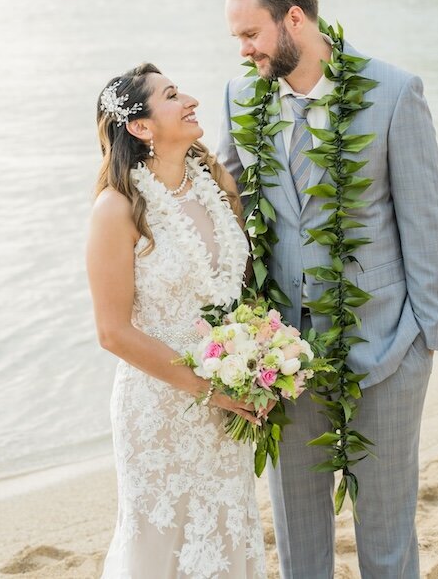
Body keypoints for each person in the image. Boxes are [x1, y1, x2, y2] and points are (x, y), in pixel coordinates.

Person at [218, 0, 438, 579]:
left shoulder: (395, 93)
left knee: (386, 528)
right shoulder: (241, 97)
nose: (243, 51)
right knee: (297, 530)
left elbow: (426, 223)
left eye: (251, 34)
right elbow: (226, 208)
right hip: (281, 358)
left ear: (295, 18)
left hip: (387, 349)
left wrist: (424, 338)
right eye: (236, 38)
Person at [87, 63, 266, 579]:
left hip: (224, 401)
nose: (189, 99)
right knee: (161, 542)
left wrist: (256, 363)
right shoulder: (116, 209)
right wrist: (211, 389)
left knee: (227, 531)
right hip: (159, 413)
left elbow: (240, 290)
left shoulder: (217, 183)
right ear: (141, 127)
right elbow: (112, 332)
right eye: (170, 95)